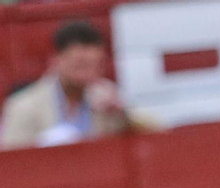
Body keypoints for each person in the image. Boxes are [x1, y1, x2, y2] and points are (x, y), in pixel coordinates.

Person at [1, 21, 134, 151]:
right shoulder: (24, 107)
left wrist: (122, 113)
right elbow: (13, 162)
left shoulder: (108, 100)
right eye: (80, 65)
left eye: (95, 66)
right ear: (56, 60)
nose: (87, 74)